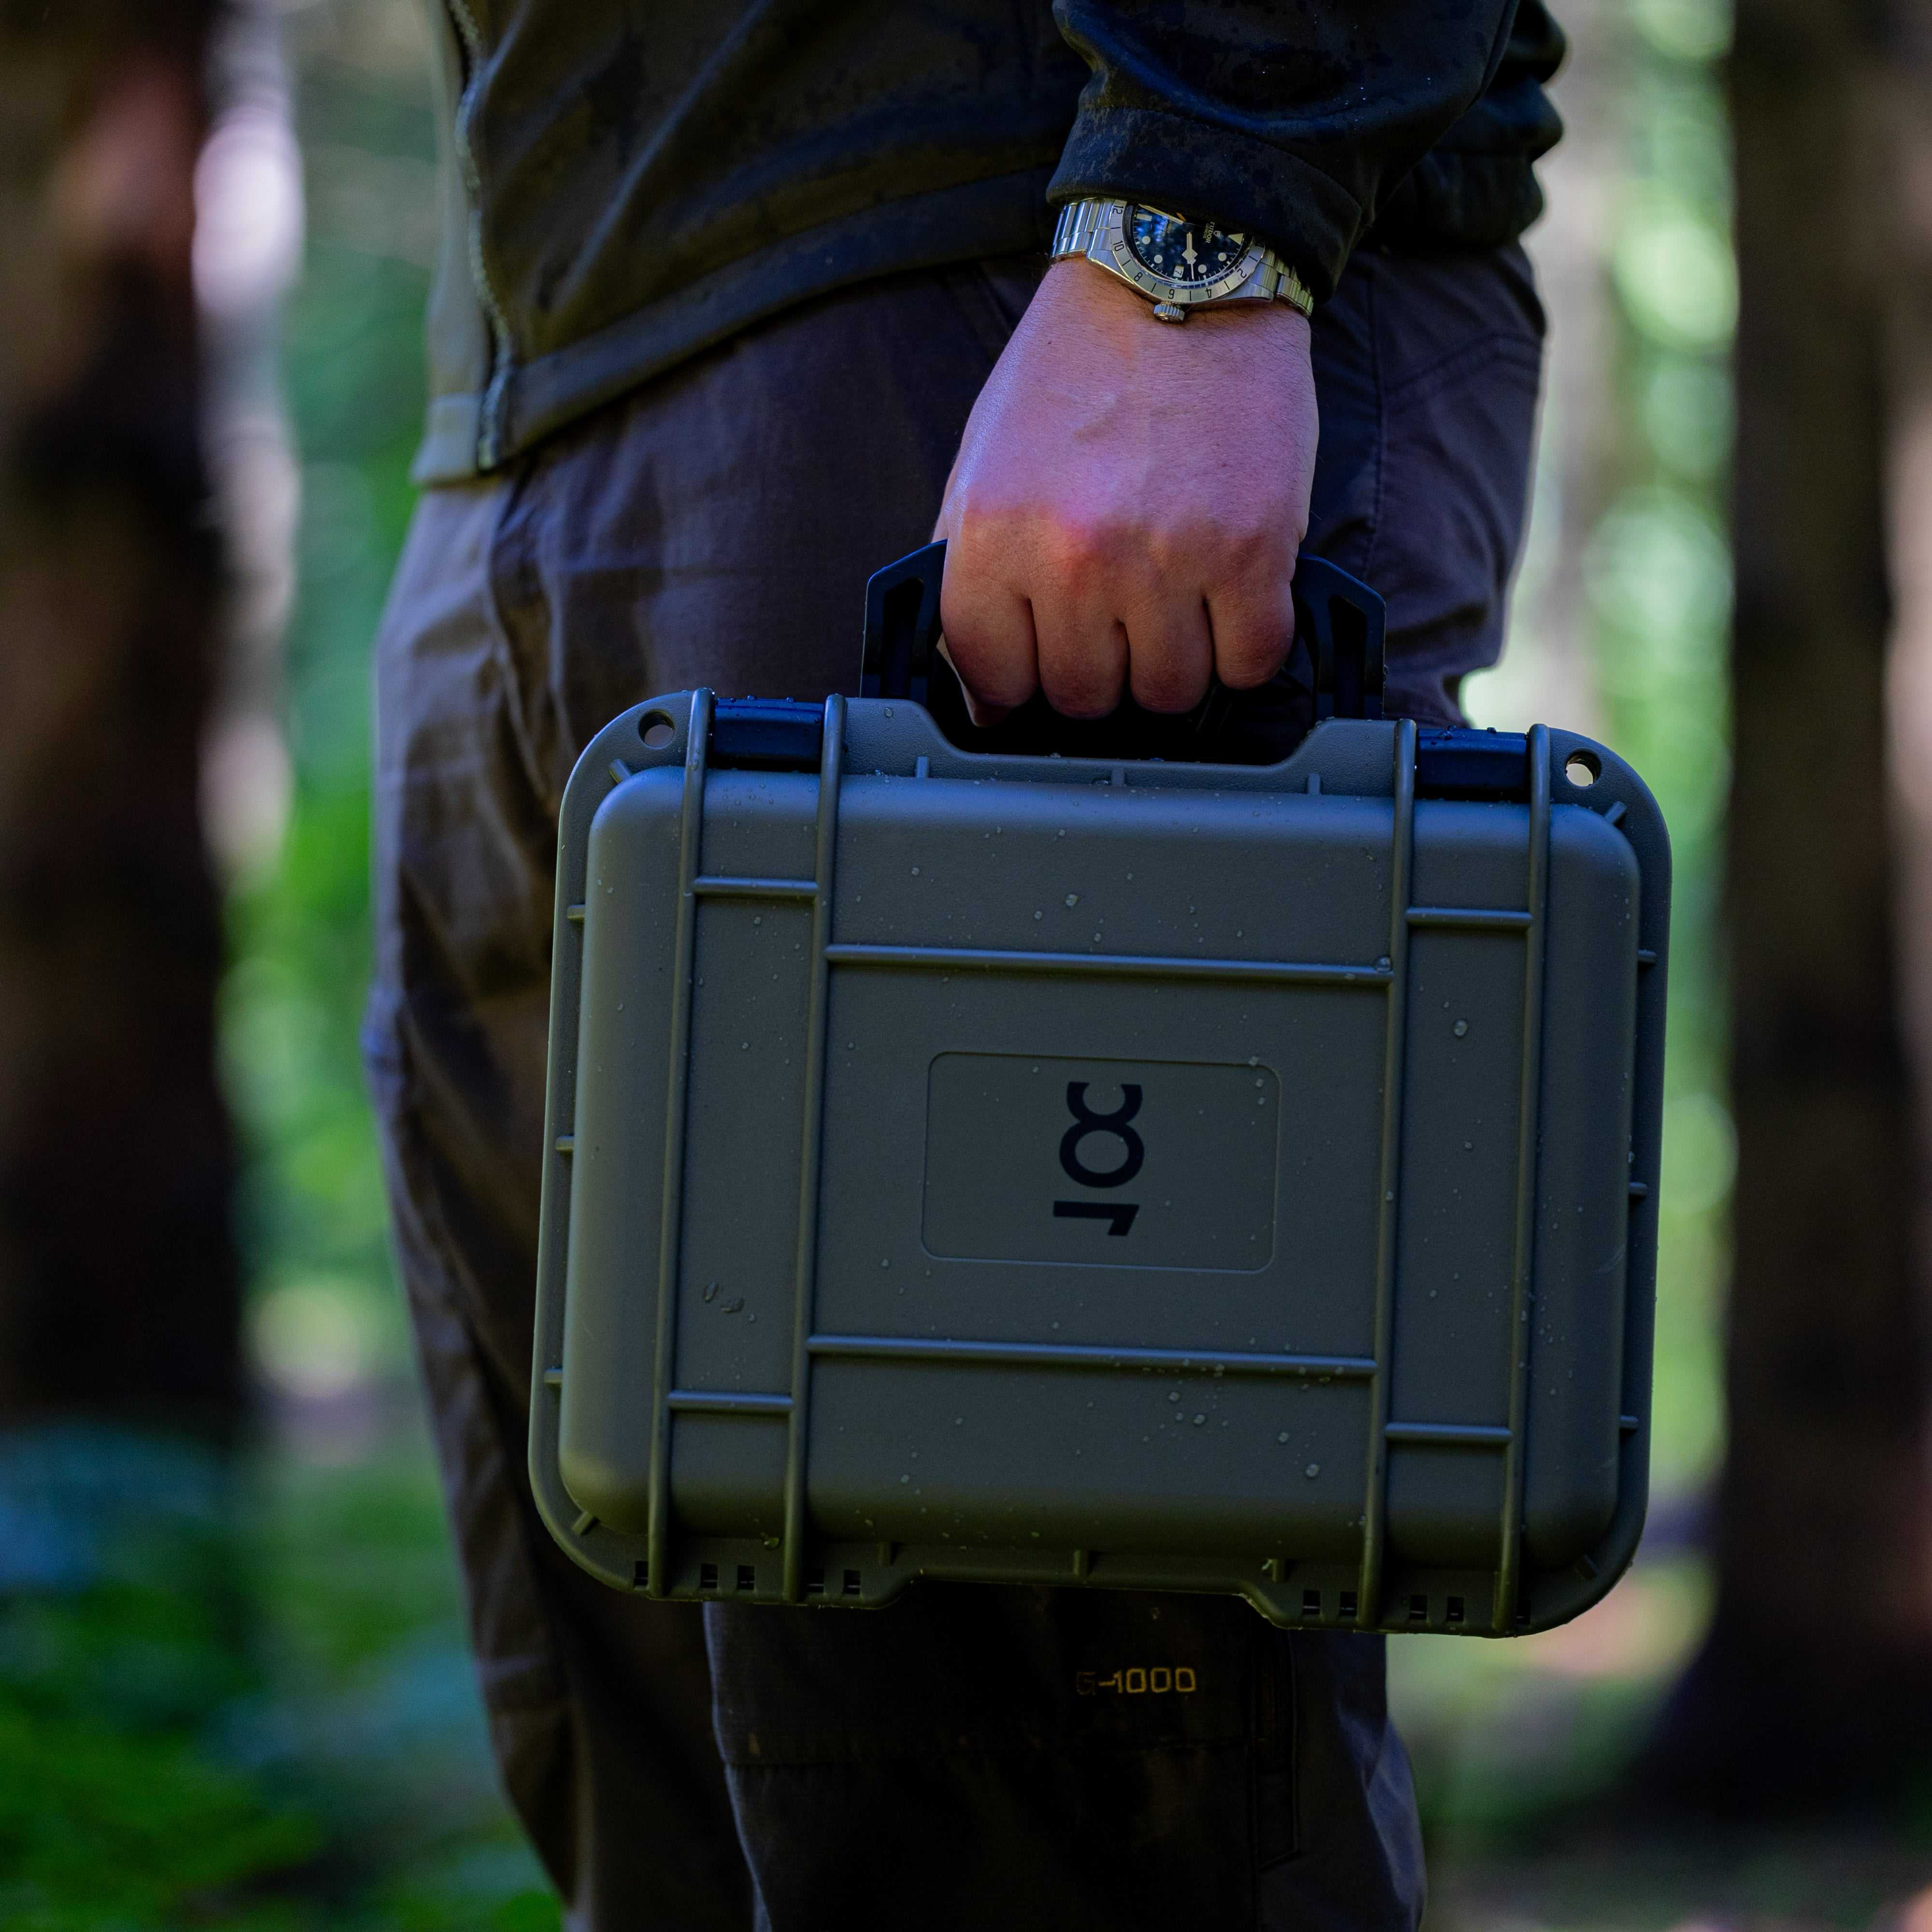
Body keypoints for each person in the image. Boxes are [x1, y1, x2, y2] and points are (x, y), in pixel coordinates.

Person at [365, 4, 1563, 1924]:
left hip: (1011, 315)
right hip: (553, 367)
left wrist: (1203, 216)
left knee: (1032, 1839)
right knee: (658, 1790)